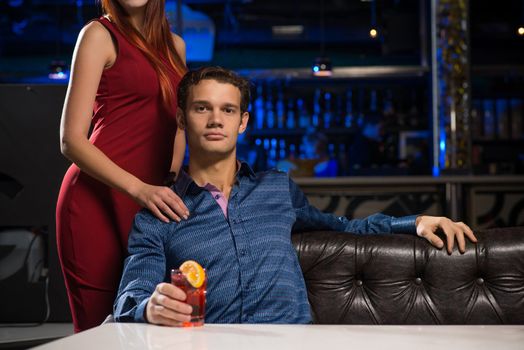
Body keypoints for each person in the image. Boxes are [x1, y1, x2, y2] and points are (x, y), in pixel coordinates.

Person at [113, 66, 477, 326]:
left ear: (243, 122)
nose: (215, 120)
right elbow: (129, 298)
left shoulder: (276, 188)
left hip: (291, 339)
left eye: (228, 110)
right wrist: (151, 307)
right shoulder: (157, 215)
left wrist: (414, 221)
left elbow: (344, 226)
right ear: (181, 118)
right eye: (201, 108)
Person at [56, 0, 190, 332]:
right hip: (95, 201)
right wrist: (140, 188)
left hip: (152, 206)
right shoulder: (98, 35)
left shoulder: (175, 46)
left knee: (151, 324)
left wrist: (171, 179)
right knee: (101, 330)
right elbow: (71, 139)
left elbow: (178, 123)